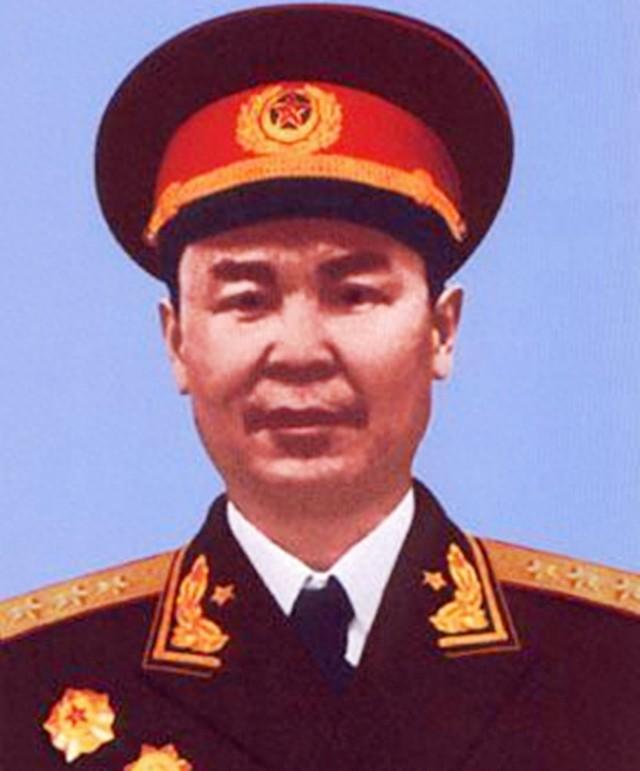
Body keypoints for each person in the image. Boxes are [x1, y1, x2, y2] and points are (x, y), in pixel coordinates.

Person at [1, 5, 638, 770]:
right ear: (177, 342)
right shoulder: (25, 677)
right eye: (247, 298)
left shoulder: (611, 661)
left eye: (354, 293)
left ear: (442, 330)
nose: (300, 353)